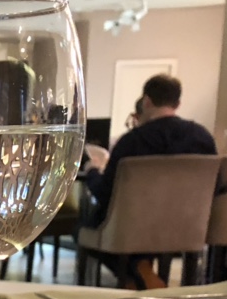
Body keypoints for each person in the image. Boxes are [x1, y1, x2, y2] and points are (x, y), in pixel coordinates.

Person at [81, 74, 217, 288]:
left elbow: (106, 194)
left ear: (146, 101)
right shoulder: (202, 138)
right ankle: (139, 274)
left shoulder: (132, 142)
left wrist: (92, 171)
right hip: (187, 228)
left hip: (133, 230)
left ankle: (136, 272)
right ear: (177, 104)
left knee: (86, 226)